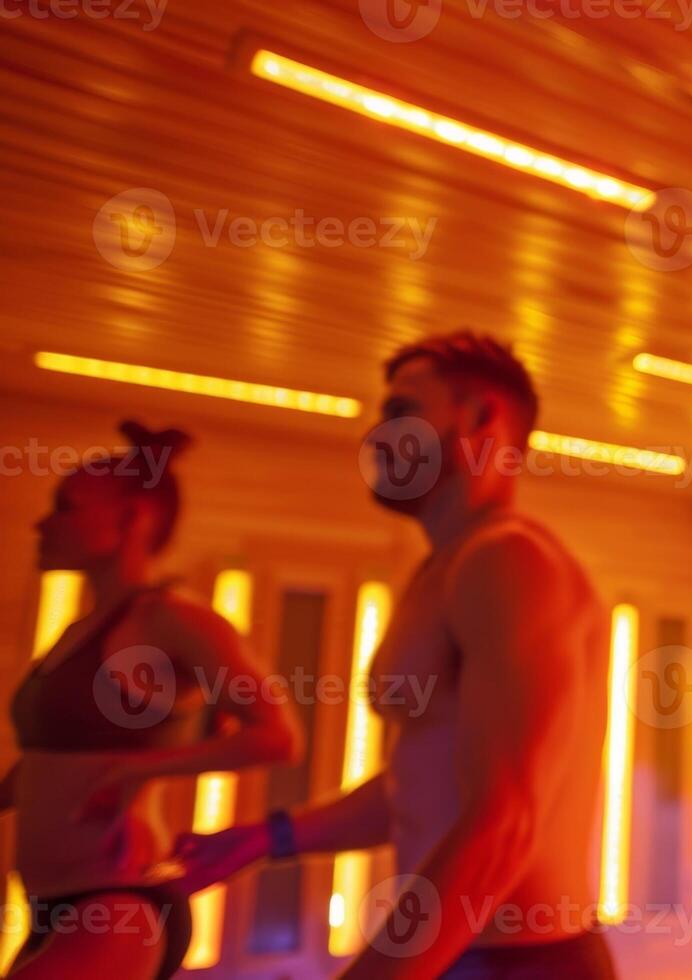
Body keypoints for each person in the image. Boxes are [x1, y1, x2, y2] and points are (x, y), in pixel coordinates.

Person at [172, 332, 617, 979]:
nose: (375, 437)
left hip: (520, 963)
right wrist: (269, 837)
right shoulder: (444, 569)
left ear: (479, 417)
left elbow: (505, 823)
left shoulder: (509, 562)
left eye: (400, 412)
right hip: (456, 954)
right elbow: (423, 781)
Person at [7, 420, 303, 979]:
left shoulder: (171, 619)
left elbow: (278, 735)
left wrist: (138, 769)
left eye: (65, 506)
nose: (42, 522)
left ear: (129, 521)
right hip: (49, 904)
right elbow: (53, 764)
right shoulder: (78, 628)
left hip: (116, 903)